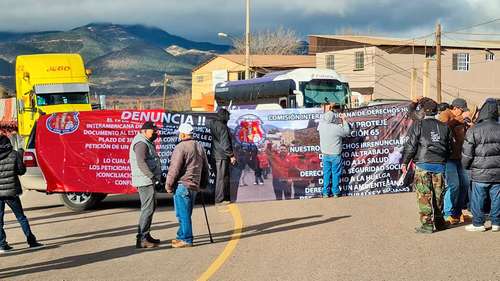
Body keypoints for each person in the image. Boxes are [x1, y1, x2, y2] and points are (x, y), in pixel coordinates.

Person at [402, 98, 452, 234]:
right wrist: (443, 160)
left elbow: (411, 146)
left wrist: (405, 162)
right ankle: (440, 223)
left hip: (423, 164)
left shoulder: (418, 125)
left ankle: (427, 225)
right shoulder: (445, 126)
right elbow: (449, 148)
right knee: (438, 196)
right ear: (436, 111)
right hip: (440, 165)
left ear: (423, 111)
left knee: (424, 196)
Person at [166, 123, 210, 247]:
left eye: (180, 133)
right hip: (194, 185)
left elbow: (174, 169)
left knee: (182, 214)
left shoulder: (181, 147)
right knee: (184, 213)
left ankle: (186, 239)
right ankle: (181, 235)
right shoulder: (199, 146)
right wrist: (203, 183)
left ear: (183, 134)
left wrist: (168, 185)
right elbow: (205, 167)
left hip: (183, 185)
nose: (179, 135)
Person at [461, 99, 500, 232]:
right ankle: (496, 223)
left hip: (479, 171)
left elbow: (467, 153)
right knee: (497, 197)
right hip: (498, 172)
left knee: (478, 198)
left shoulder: (474, 130)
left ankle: (478, 224)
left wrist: (466, 166)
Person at [0, 135, 43, 253]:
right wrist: (20, 155)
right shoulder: (13, 154)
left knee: (0, 220)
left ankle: (2, 244)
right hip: (11, 192)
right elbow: (21, 171)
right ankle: (31, 241)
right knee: (21, 217)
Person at [439, 98, 473, 224]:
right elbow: (443, 129)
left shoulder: (461, 119)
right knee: (454, 185)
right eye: (462, 110)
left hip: (460, 157)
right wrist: (457, 120)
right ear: (456, 108)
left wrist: (469, 126)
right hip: (449, 158)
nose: (463, 113)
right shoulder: (445, 114)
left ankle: (457, 213)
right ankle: (448, 213)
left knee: (464, 184)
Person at [129, 121, 162, 248]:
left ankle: (146, 235)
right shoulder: (141, 143)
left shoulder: (146, 141)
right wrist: (153, 177)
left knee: (150, 208)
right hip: (145, 181)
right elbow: (141, 163)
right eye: (153, 131)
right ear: (144, 131)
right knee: (147, 209)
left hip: (147, 180)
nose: (155, 133)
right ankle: (142, 238)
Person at [317, 104, 350, 198]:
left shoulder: (321, 126)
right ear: (333, 118)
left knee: (326, 174)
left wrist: (328, 111)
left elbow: (323, 119)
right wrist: (343, 119)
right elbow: (347, 132)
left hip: (325, 154)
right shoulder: (336, 128)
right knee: (336, 174)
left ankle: (325, 193)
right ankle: (335, 192)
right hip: (335, 155)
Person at [207, 108, 236, 205]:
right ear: (224, 116)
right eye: (228, 116)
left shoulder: (212, 123)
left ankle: (219, 197)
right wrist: (231, 155)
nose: (229, 118)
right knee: (221, 178)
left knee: (219, 177)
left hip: (214, 154)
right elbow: (225, 143)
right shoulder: (223, 127)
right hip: (222, 155)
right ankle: (219, 199)